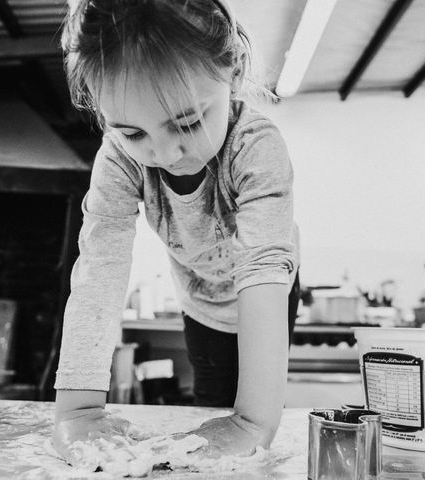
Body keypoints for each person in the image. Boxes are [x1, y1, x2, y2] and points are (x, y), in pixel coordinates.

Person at [53, 0, 300, 464]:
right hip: (199, 298)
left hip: (269, 289)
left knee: (245, 423)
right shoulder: (119, 159)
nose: (165, 153)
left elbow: (265, 266)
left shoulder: (256, 147)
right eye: (133, 132)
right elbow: (99, 269)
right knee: (209, 404)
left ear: (234, 70)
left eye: (187, 121)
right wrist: (79, 411)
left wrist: (252, 423)